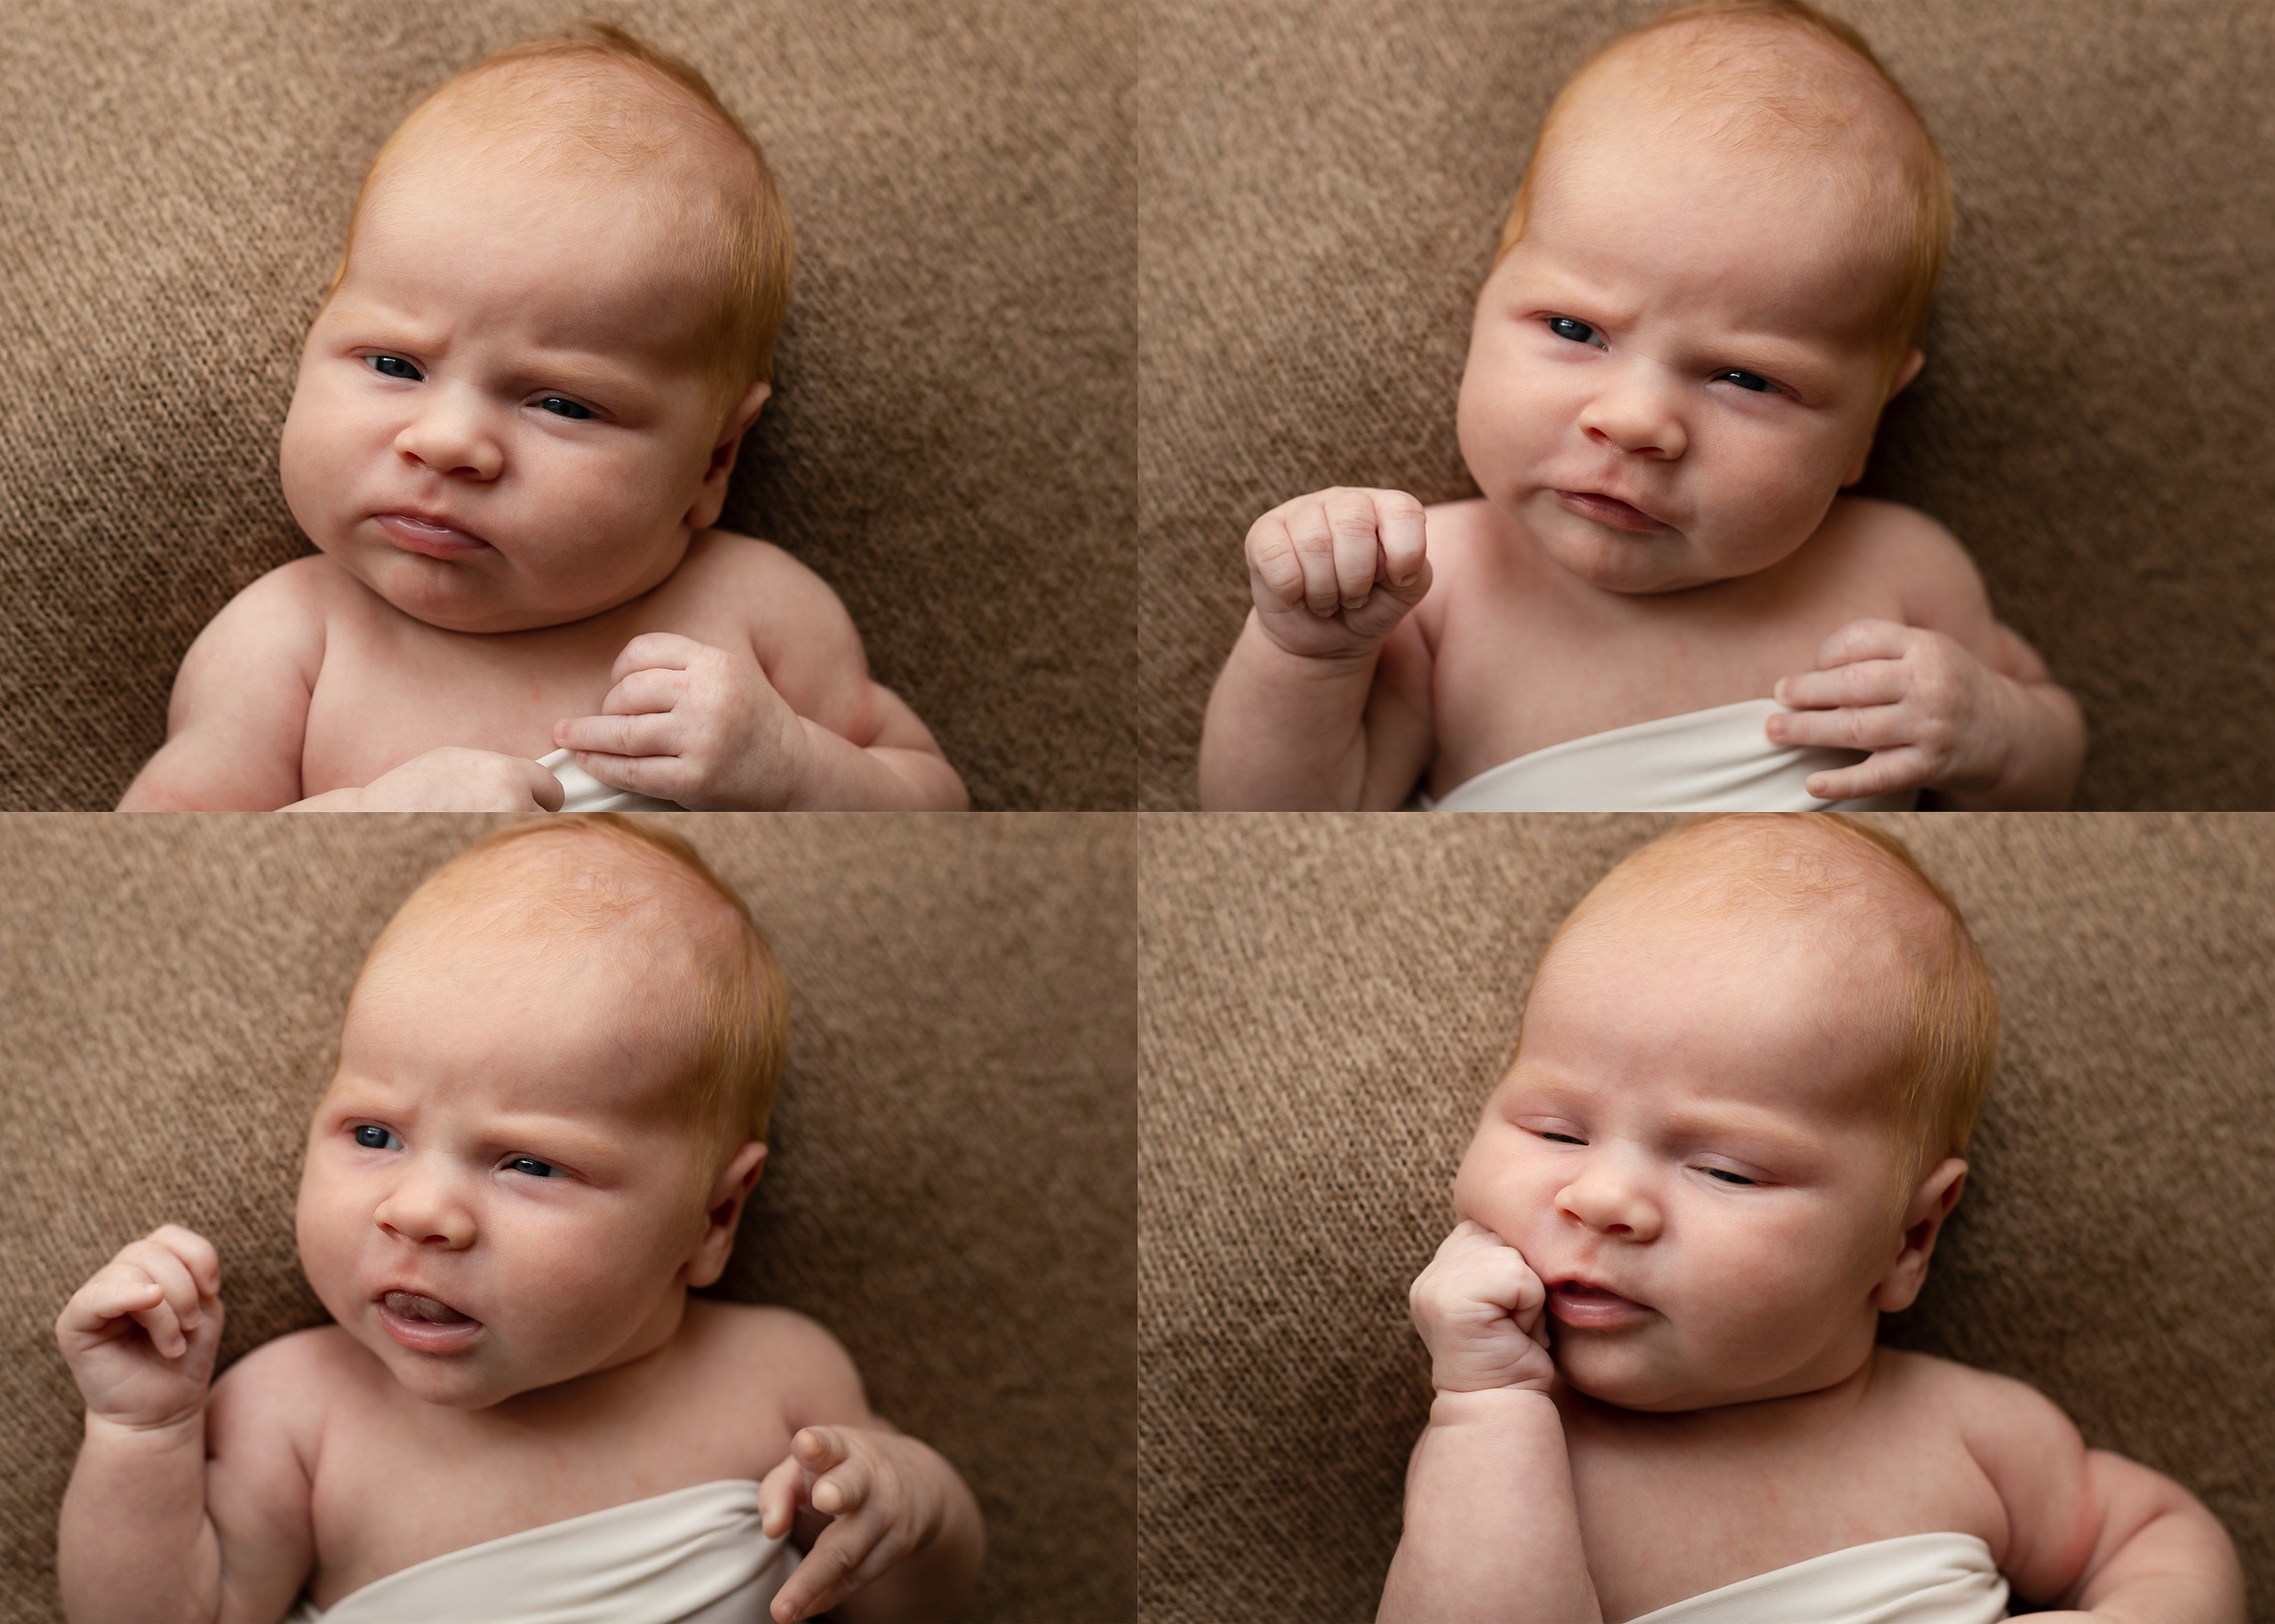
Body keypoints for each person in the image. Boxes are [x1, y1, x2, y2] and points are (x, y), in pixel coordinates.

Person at [56, 816, 984, 1622]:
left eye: (530, 1163)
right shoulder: (299, 1412)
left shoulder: (780, 1380)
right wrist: (143, 1433)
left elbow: (906, 1609)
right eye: (373, 1133)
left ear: (714, 1215)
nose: (418, 1211)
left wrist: (915, 1515)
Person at [1199, 0, 2083, 812]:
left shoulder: (1904, 572)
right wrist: (1309, 655)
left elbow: (2049, 768)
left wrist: (1992, 730)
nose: (1631, 422)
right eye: (1574, 327)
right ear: (1485, 299)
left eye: (1744, 379)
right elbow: (1279, 824)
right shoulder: (1431, 588)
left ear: (1871, 418)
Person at [1384, 815, 2239, 1622]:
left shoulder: (1970, 1434)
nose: (1602, 1198)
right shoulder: (1518, 1452)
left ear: (1909, 1239)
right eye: (1556, 1130)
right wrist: (1488, 1404)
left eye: (1726, 1170)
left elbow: (2155, 1534)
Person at [117, 25, 967, 812]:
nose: (448, 443)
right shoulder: (289, 641)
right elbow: (160, 863)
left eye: (561, 403)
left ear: (714, 461)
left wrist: (793, 769)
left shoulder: (758, 611)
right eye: (394, 365)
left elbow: (940, 809)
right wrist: (371, 816)